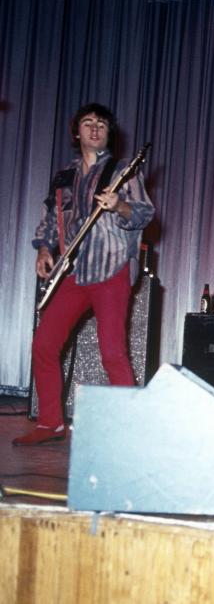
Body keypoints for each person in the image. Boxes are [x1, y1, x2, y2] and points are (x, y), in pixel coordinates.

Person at [14, 103, 155, 446]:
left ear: (109, 134)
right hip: (73, 273)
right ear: (77, 133)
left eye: (102, 124)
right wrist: (45, 250)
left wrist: (119, 205)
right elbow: (51, 219)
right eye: (88, 123)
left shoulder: (123, 170)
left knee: (112, 352)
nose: (95, 129)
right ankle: (51, 423)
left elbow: (144, 213)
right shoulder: (64, 176)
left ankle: (129, 429)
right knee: (44, 344)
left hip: (110, 268)